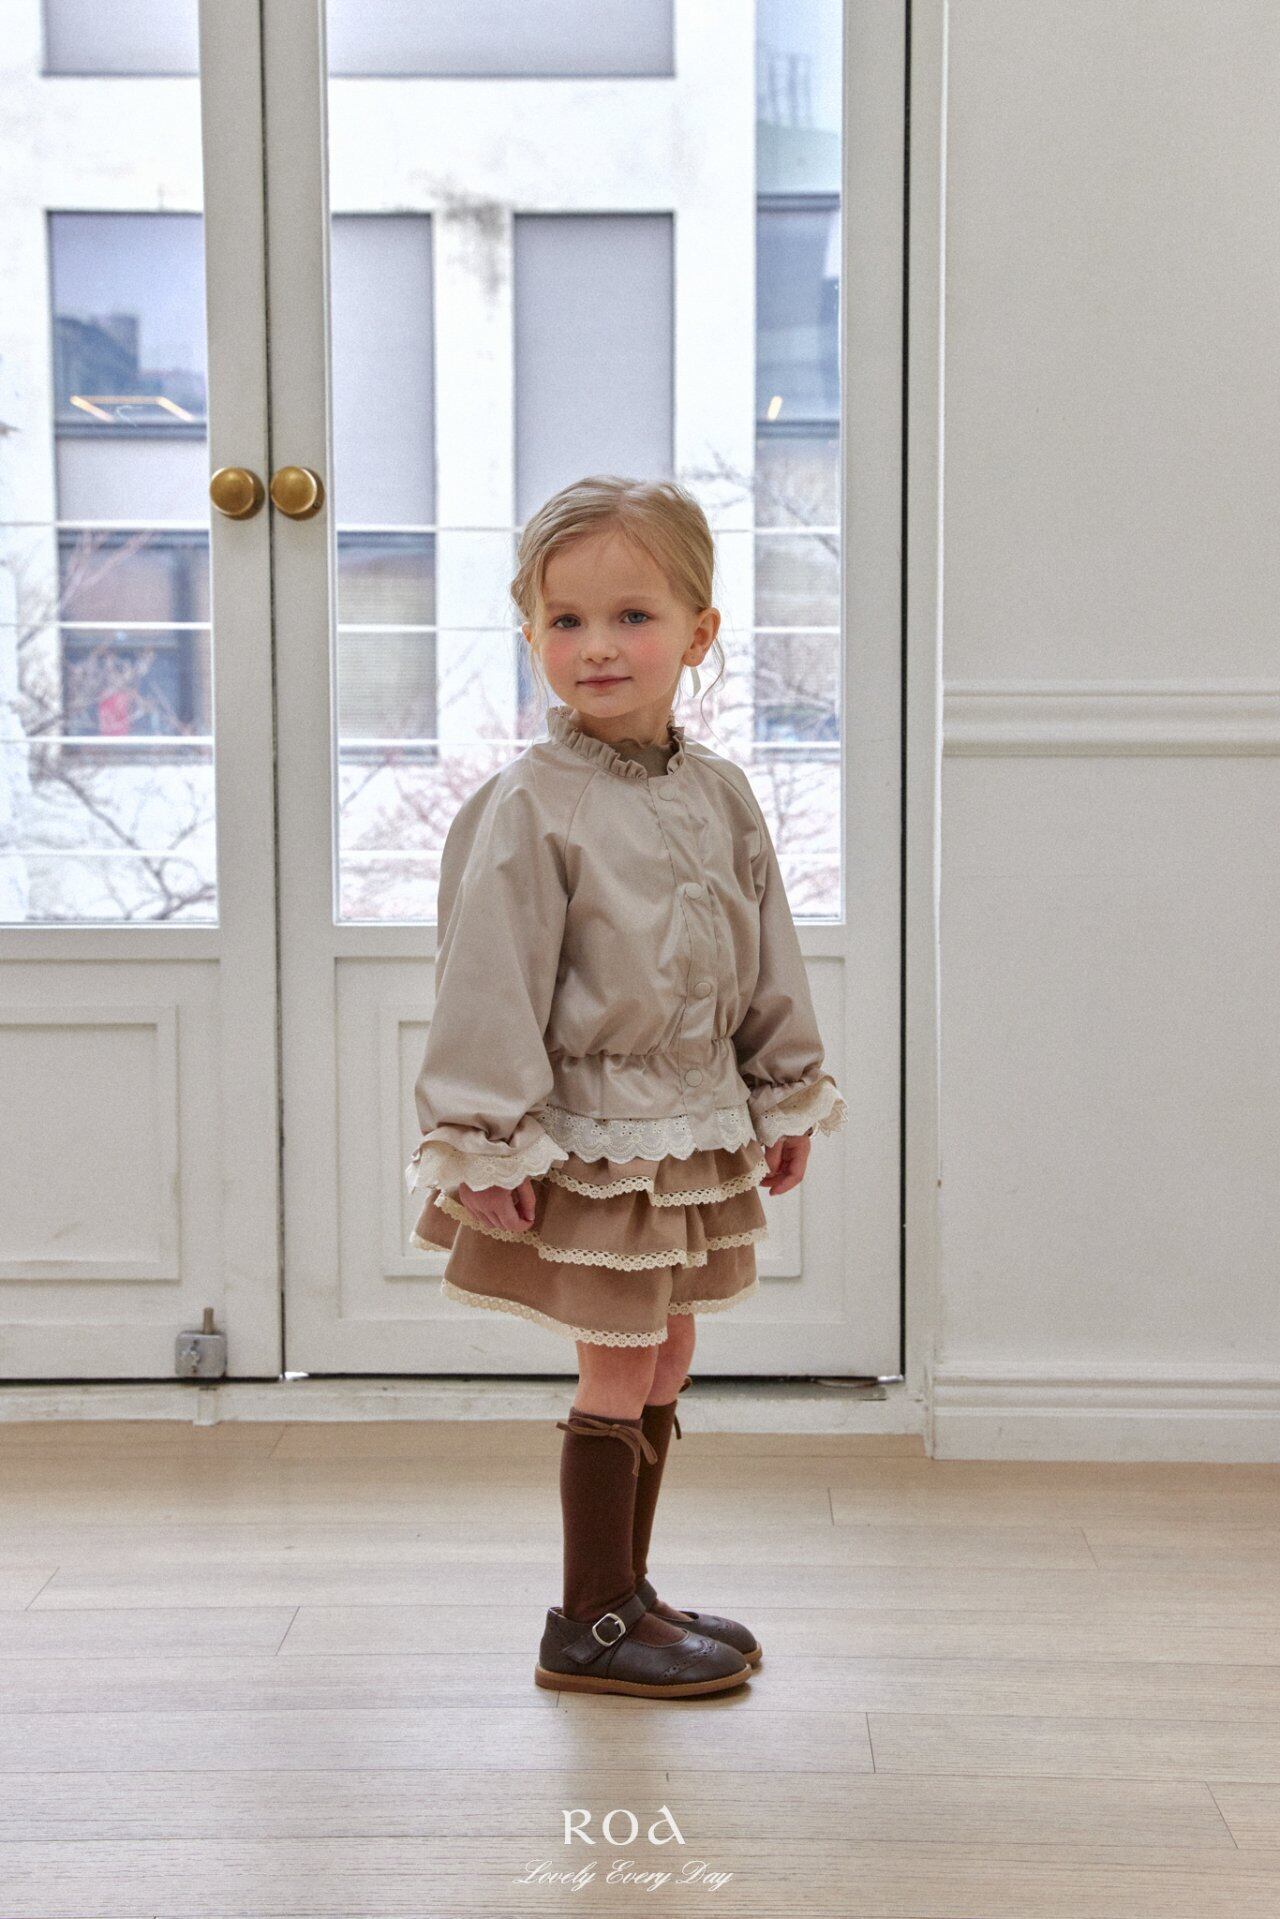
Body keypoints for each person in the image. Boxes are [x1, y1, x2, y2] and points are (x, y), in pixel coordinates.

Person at [406, 475, 848, 1698]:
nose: (596, 646)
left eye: (631, 616)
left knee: (667, 1348)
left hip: (689, 1121)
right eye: (566, 620)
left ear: (698, 632)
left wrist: (783, 1086)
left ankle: (631, 1589)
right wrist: (481, 1134)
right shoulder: (530, 807)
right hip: (592, 1134)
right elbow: (487, 978)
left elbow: (765, 948)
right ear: (532, 633)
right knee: (618, 1354)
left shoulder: (718, 792)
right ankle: (588, 1616)